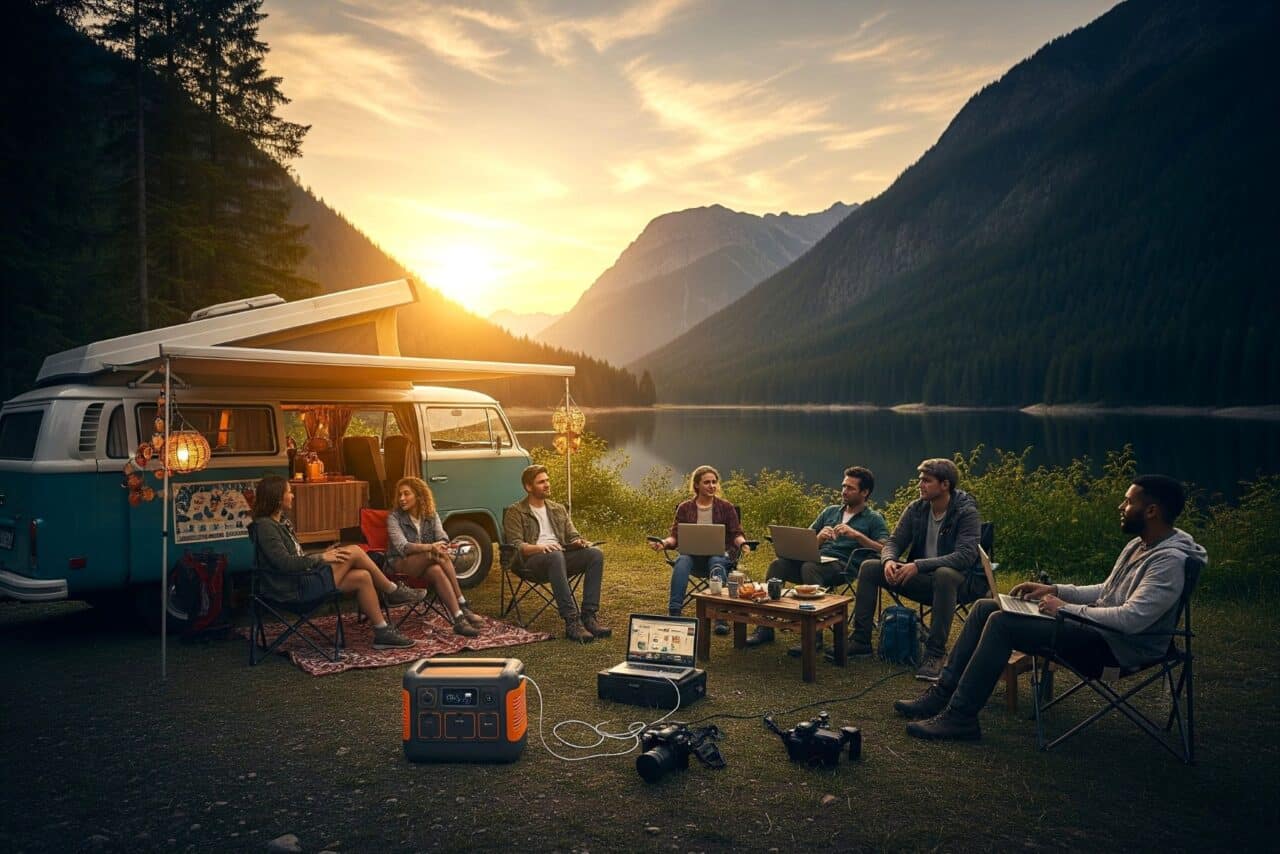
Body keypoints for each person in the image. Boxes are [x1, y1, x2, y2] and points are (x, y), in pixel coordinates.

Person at [896, 474, 1207, 742]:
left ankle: (961, 718)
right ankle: (942, 694)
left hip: (1117, 647)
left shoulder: (1169, 561)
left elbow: (1132, 619)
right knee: (984, 607)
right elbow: (1107, 591)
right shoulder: (1140, 544)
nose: (1121, 508)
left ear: (1151, 510)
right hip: (1096, 630)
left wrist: (1064, 609)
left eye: (1128, 502)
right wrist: (1055, 590)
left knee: (1003, 623)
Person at [846, 458, 986, 680]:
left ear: (945, 484)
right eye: (920, 480)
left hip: (961, 585)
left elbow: (965, 556)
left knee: (944, 574)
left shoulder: (965, 512)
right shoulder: (917, 509)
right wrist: (889, 560)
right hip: (922, 580)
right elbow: (893, 542)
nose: (920, 485)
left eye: (927, 481)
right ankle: (861, 640)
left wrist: (918, 565)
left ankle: (935, 653)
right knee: (870, 567)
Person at [249, 474, 422, 650]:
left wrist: (323, 553)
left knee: (362, 576)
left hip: (302, 579)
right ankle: (392, 591)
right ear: (277, 498)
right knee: (354, 551)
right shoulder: (265, 526)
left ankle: (382, 632)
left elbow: (297, 556)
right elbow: (284, 563)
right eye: (289, 492)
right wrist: (321, 558)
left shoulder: (282, 522)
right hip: (292, 590)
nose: (292, 495)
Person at [761, 465, 890, 653]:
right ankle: (765, 627)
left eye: (850, 488)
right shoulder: (830, 511)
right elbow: (805, 541)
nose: (844, 491)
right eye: (844, 486)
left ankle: (813, 638)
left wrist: (857, 536)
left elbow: (885, 548)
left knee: (809, 567)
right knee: (778, 566)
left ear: (865, 492)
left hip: (843, 567)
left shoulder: (873, 519)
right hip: (815, 561)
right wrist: (818, 539)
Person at [503, 465, 611, 643]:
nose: (547, 484)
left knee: (595, 554)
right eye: (541, 482)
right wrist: (540, 548)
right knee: (555, 555)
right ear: (528, 487)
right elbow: (515, 544)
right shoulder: (515, 512)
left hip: (559, 558)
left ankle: (589, 617)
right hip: (530, 562)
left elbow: (572, 534)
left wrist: (578, 542)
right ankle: (572, 622)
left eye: (547, 480)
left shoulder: (558, 509)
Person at [649, 465, 748, 633]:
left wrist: (743, 544)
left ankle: (720, 616)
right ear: (696, 485)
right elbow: (675, 536)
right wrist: (664, 543)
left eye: (714, 482)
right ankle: (675, 613)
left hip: (719, 556)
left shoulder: (726, 507)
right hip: (692, 557)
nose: (712, 486)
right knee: (682, 560)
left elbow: (735, 533)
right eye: (707, 482)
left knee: (716, 561)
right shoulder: (684, 508)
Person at [386, 476, 486, 638]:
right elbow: (403, 547)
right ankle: (462, 602)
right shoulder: (394, 518)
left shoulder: (431, 516)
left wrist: (440, 545)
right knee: (435, 555)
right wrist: (431, 547)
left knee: (436, 571)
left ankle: (459, 620)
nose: (402, 498)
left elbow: (443, 536)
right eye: (400, 495)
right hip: (399, 564)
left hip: (427, 562)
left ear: (419, 496)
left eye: (406, 494)